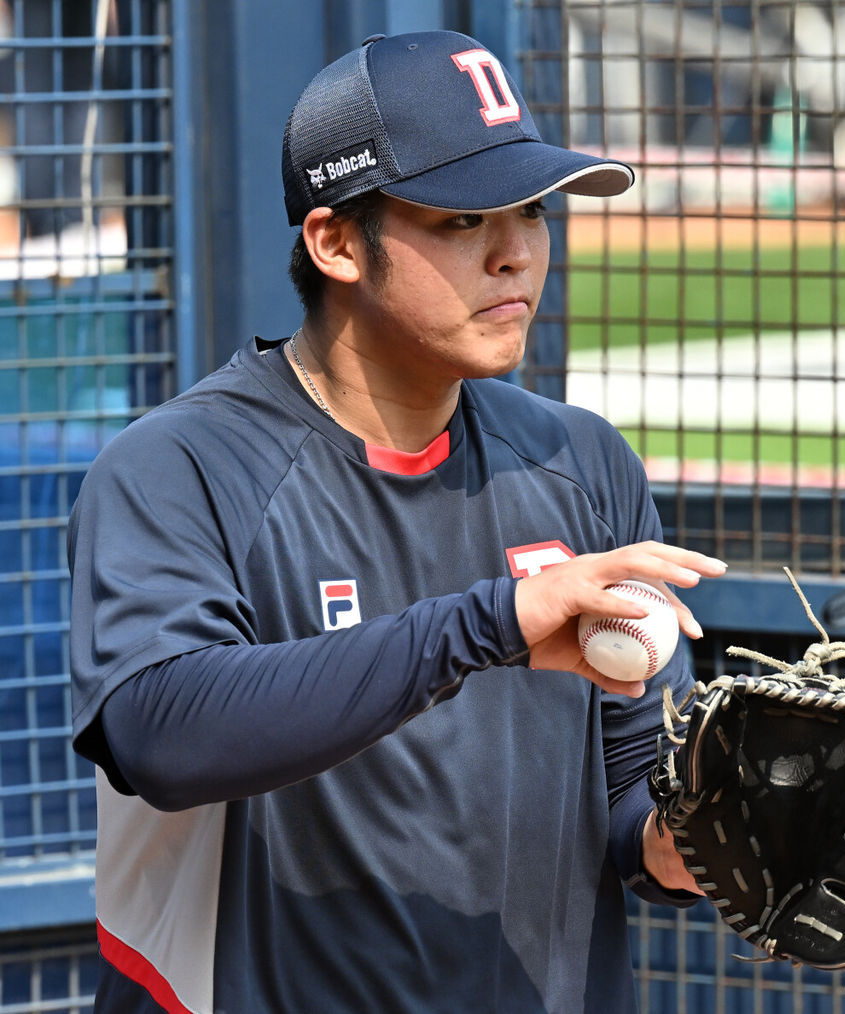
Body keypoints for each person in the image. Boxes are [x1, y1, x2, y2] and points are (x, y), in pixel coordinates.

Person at [67, 30, 727, 1014]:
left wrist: (690, 840)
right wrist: (494, 624)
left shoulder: (581, 463)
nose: (515, 253)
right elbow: (161, 733)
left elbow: (627, 794)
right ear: (335, 241)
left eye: (533, 211)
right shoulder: (180, 467)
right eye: (463, 220)